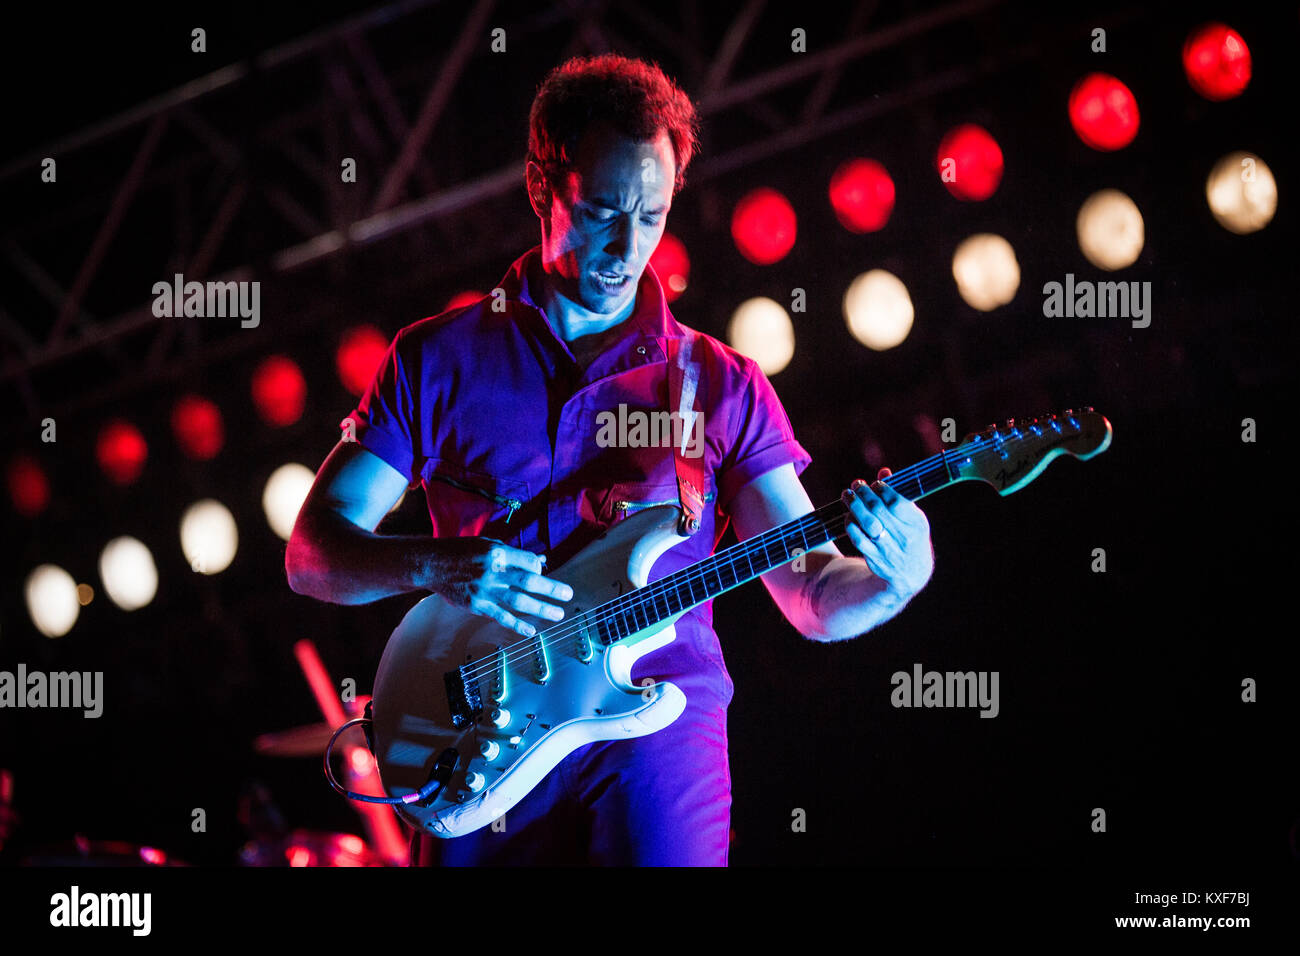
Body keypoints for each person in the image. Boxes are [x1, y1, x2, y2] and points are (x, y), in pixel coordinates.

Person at [285, 54, 934, 866]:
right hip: (483, 730)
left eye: (653, 216)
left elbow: (810, 594)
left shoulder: (720, 384)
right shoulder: (435, 360)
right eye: (599, 210)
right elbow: (313, 556)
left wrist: (894, 581)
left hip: (655, 732)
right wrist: (439, 564)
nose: (628, 247)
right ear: (538, 185)